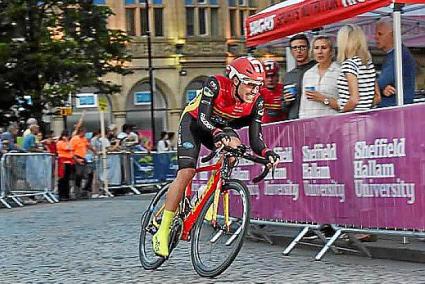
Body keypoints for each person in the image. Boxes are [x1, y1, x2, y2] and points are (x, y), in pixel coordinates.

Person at [152, 56, 280, 257]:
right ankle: (162, 230)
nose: (254, 90)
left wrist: (267, 153)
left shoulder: (257, 101)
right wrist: (217, 133)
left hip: (221, 127)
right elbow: (203, 118)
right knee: (186, 173)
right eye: (250, 84)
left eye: (258, 85)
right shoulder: (216, 84)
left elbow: (256, 138)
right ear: (236, 80)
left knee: (234, 150)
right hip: (195, 123)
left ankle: (210, 195)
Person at [375, 17, 416, 107]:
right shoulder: (393, 54)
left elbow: (380, 82)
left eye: (380, 34)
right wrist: (382, 90)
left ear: (393, 35)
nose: (376, 37)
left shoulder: (398, 55)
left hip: (395, 108)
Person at [298, 35, 340, 118]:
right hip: (311, 126)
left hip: (333, 125)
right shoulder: (308, 74)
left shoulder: (340, 72)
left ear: (331, 51)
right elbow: (303, 106)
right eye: (316, 48)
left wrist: (323, 99)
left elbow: (347, 105)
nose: (320, 51)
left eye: (324, 48)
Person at [282, 34, 316, 119]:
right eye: (295, 48)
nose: (299, 51)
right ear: (291, 51)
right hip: (294, 121)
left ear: (308, 48)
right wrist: (286, 101)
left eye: (302, 47)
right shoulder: (288, 76)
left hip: (314, 118)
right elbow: (283, 107)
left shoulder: (317, 69)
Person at [56, 130, 74, 201]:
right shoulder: (60, 142)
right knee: (62, 179)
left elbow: (72, 148)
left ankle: (67, 194)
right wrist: (66, 141)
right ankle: (62, 194)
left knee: (67, 179)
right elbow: (68, 148)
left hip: (69, 162)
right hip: (63, 162)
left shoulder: (67, 142)